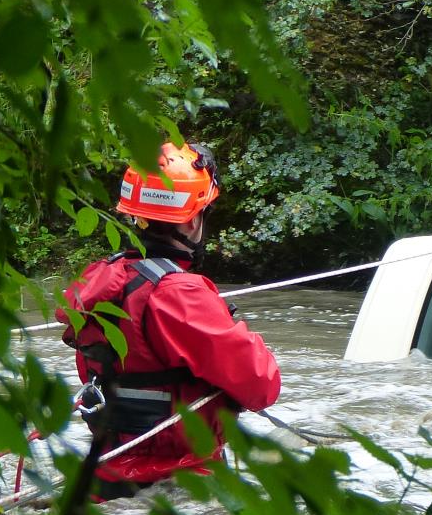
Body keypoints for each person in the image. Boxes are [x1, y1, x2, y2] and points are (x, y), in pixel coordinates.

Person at [58, 141, 281, 496]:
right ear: (193, 219)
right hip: (182, 477)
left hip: (107, 473)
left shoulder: (98, 281)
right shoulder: (180, 294)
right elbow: (262, 385)